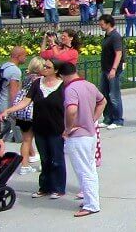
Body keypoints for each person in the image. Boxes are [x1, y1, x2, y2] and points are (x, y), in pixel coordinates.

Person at [0, 57, 65, 198]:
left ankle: (58, 188)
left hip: (56, 127)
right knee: (45, 159)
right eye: (44, 66)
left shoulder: (63, 85)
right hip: (40, 126)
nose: (44, 69)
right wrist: (9, 110)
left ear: (56, 70)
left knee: (57, 159)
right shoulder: (37, 83)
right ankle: (45, 187)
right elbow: (26, 101)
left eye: (48, 67)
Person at [58, 60, 105, 217]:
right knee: (90, 169)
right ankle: (90, 199)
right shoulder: (89, 85)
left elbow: (71, 110)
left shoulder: (70, 89)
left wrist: (68, 128)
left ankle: (91, 204)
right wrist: (93, 119)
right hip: (90, 133)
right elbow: (102, 101)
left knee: (83, 171)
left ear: (63, 76)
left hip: (78, 136)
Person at [11, 57, 45, 174]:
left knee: (26, 141)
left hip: (23, 113)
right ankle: (43, 164)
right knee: (41, 140)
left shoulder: (26, 78)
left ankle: (24, 166)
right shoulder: (41, 80)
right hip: (36, 113)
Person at [98, 14, 125, 129]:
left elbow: (119, 53)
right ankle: (108, 118)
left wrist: (114, 69)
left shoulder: (115, 36)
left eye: (102, 23)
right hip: (105, 69)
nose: (100, 25)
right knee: (104, 94)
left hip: (113, 70)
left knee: (114, 95)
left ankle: (118, 119)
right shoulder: (107, 36)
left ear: (108, 24)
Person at [0, 46, 25, 117]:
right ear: (18, 56)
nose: (25, 58)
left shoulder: (4, 66)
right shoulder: (15, 71)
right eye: (24, 55)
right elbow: (14, 94)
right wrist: (16, 110)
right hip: (7, 108)